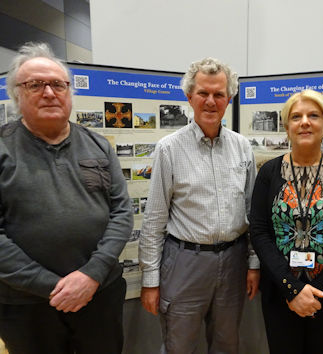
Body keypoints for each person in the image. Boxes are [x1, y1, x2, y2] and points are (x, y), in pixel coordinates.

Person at [0, 42, 133, 354]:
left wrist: (91, 275)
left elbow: (122, 213)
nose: (49, 92)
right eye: (36, 84)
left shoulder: (98, 145)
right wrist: (54, 287)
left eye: (58, 84)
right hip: (26, 303)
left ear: (69, 92)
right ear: (17, 94)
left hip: (99, 293)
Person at [139, 57, 260, 354]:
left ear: (228, 99)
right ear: (189, 97)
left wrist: (254, 264)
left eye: (218, 94)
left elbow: (252, 210)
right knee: (179, 346)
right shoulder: (169, 148)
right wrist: (151, 281)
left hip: (233, 261)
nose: (210, 101)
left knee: (227, 345)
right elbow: (154, 220)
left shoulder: (242, 147)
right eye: (203, 93)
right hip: (184, 263)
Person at [250, 90, 323, 354]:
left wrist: (316, 288)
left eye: (313, 115)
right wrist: (292, 289)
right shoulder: (269, 173)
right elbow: (259, 233)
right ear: (287, 127)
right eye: (296, 116)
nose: (304, 122)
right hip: (280, 293)